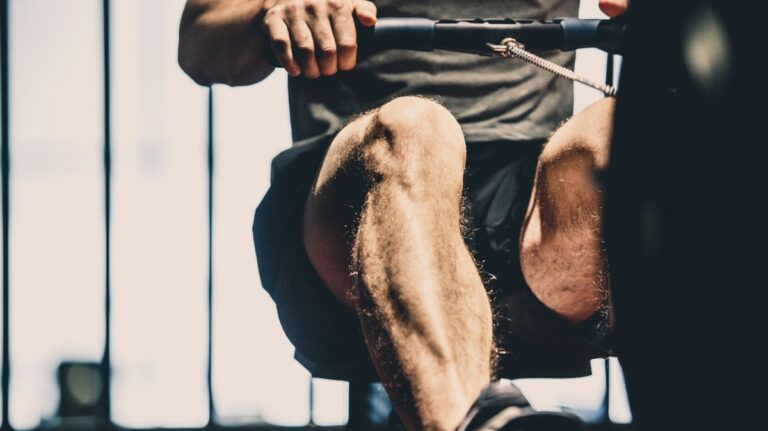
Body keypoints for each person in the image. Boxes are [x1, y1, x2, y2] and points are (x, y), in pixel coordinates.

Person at [178, 0, 628, 429]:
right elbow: (200, 42)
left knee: (618, 131)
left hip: (534, 217)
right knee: (415, 129)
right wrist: (269, 13)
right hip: (364, 195)